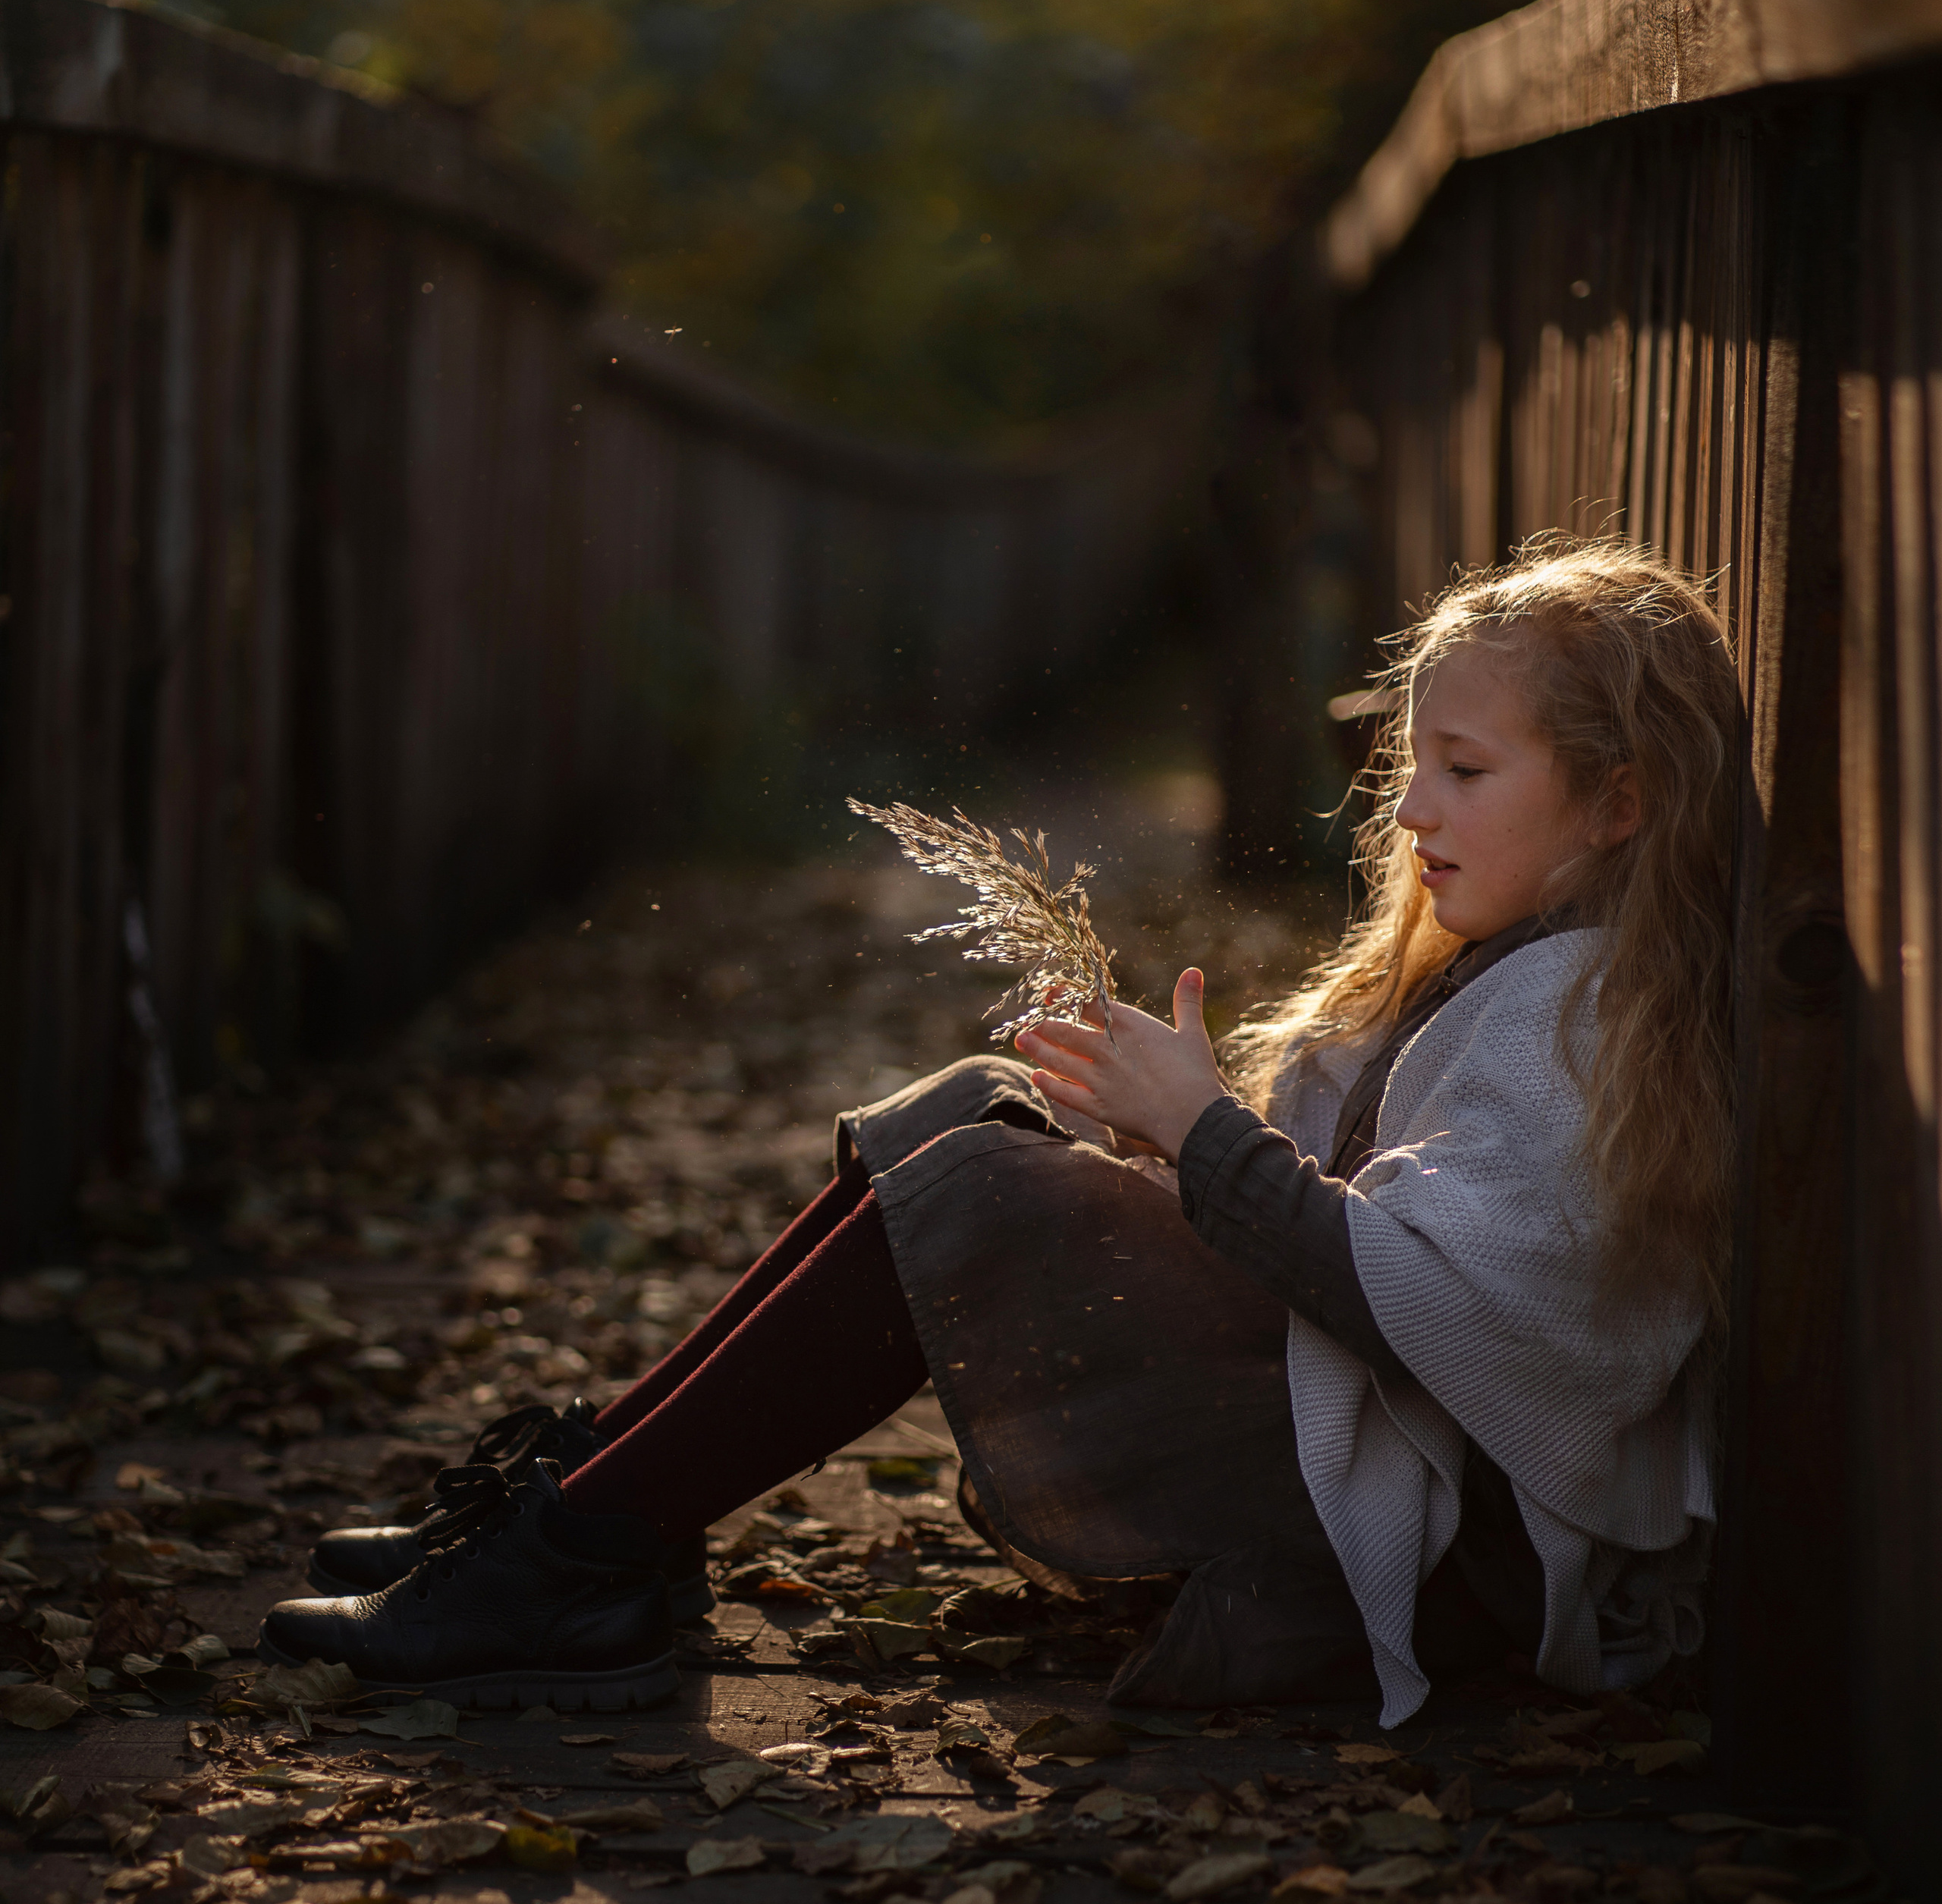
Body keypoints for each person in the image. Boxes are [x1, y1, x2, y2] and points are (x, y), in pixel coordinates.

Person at [262, 540, 1736, 1723]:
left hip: (1422, 1547)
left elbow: (1426, 1304)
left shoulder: (1579, 1020)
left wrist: (1204, 1135)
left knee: (979, 1178)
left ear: (1617, 800)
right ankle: (592, 1498)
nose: (1410, 806)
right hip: (1340, 1432)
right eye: (1413, 764)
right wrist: (1164, 1138)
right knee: (983, 1107)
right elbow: (1384, 1229)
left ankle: (578, 1551)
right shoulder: (1520, 962)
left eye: (1463, 771)